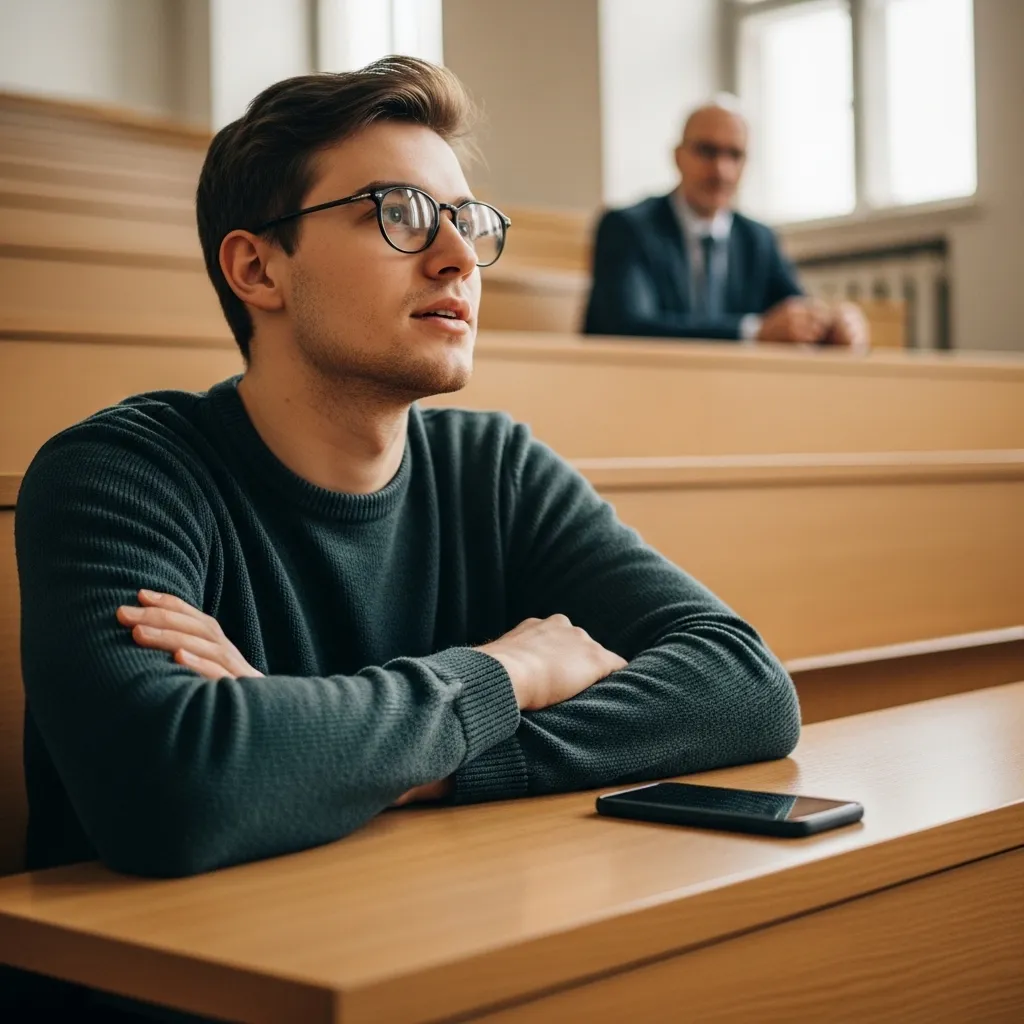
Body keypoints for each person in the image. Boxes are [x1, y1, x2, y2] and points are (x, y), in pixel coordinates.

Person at [16, 59, 800, 885]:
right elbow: (170, 789)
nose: (460, 257)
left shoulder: (494, 471)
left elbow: (744, 687)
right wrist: (508, 674)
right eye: (400, 213)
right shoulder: (118, 477)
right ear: (257, 269)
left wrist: (346, 758)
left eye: (466, 220)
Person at [583, 95, 867, 347]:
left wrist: (833, 324)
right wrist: (752, 332)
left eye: (734, 155)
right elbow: (629, 327)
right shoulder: (627, 228)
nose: (721, 170)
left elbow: (795, 314)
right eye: (707, 151)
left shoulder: (758, 239)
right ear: (678, 157)